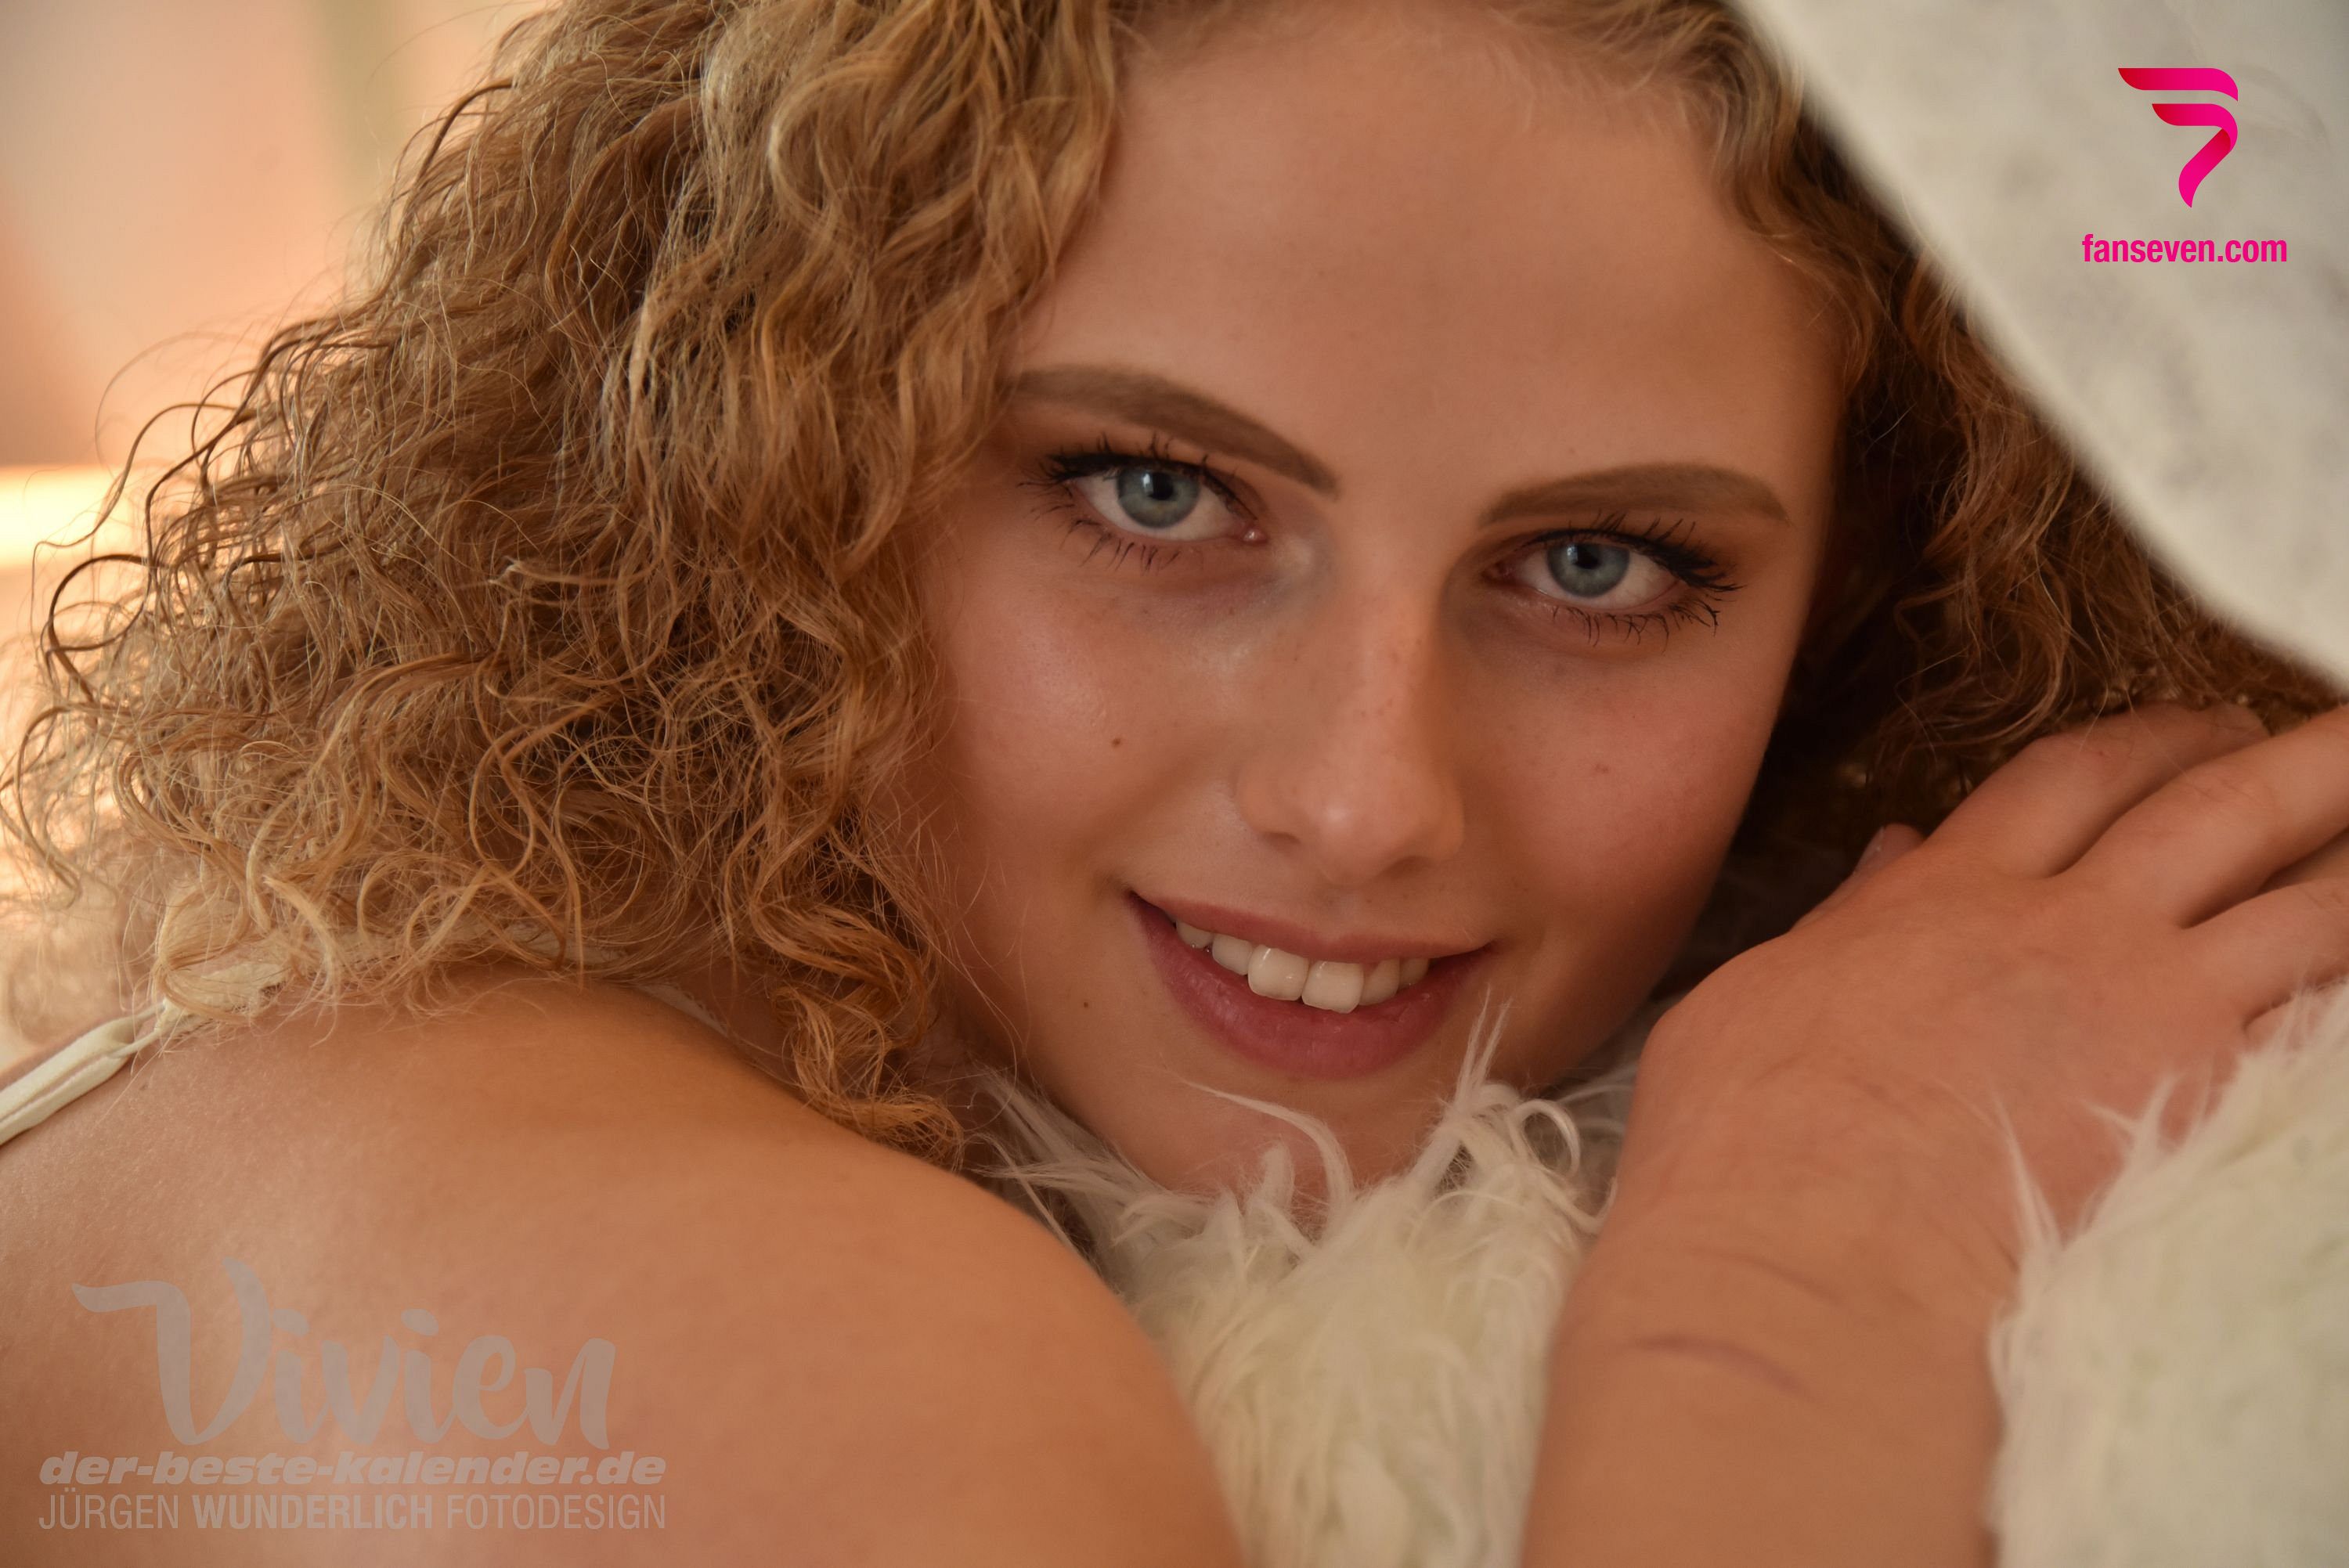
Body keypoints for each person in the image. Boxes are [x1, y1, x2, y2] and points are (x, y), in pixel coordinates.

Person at [0, 0, 2341, 1563]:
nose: (1366, 797)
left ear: (1870, 603)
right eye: (1154, 494)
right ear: (757, 455)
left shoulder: (476, 1052)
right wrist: (1794, 1279)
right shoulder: (765, 1318)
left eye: (1602, 563)